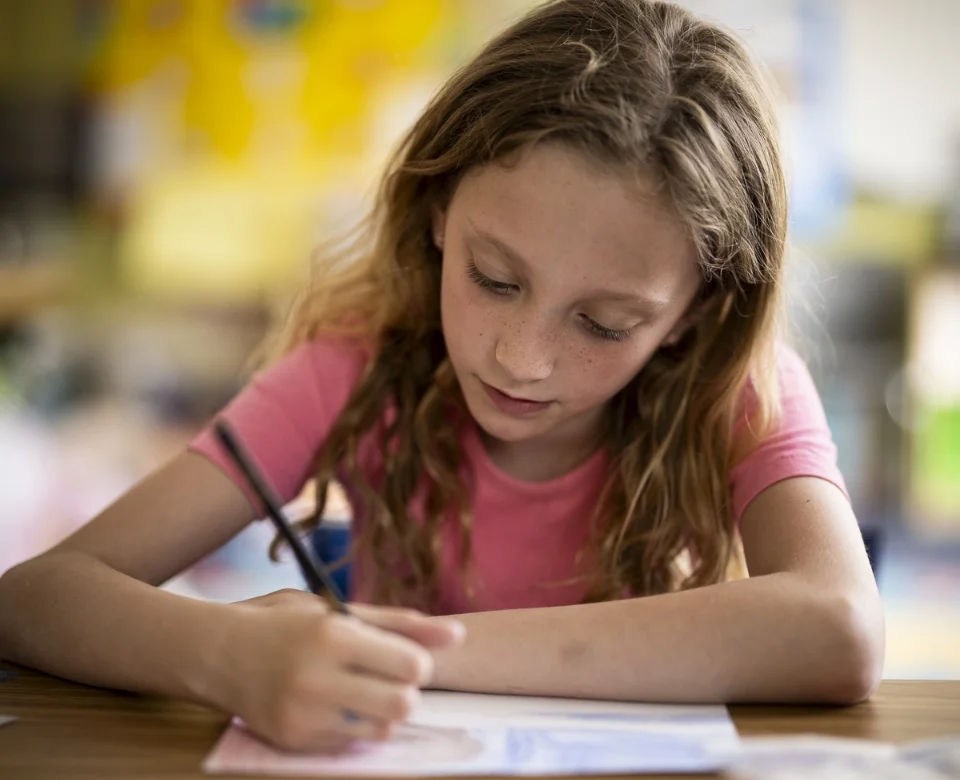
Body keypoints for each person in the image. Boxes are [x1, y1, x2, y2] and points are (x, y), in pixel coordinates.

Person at [0, 0, 884, 754]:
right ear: (435, 212)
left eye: (604, 324)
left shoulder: (741, 388)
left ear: (695, 310)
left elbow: (839, 628)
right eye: (494, 279)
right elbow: (32, 598)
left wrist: (392, 647)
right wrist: (230, 652)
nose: (521, 358)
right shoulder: (352, 369)